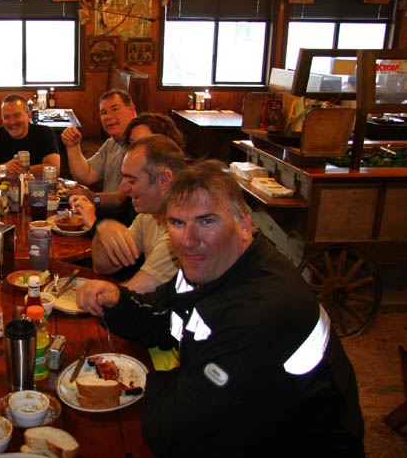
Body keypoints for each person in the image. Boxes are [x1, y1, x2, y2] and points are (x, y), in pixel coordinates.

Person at [76, 161, 364, 456]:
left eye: (207, 221)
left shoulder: (254, 317)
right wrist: (119, 301)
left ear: (244, 226)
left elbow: (178, 434)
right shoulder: (213, 266)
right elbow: (164, 314)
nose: (188, 241)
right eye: (177, 223)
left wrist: (155, 382)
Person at [74, 135, 183, 293]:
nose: (123, 188)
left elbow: (134, 292)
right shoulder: (148, 216)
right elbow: (103, 267)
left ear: (164, 180)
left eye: (132, 180)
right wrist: (102, 231)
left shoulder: (181, 233)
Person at [72, 112, 185, 228]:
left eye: (143, 143)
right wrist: (88, 206)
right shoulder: (145, 213)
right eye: (132, 143)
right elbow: (121, 214)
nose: (123, 188)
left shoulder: (179, 222)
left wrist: (93, 221)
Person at [61, 89, 137, 210]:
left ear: (131, 109)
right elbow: (85, 175)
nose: (108, 116)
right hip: (107, 213)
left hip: (127, 217)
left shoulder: (142, 146)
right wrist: (73, 146)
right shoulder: (111, 143)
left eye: (115, 109)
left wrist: (94, 197)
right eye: (104, 112)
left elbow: (128, 197)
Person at [0, 94, 60, 178]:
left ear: (29, 116)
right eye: (6, 117)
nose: (12, 122)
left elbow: (54, 170)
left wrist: (19, 170)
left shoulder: (45, 133)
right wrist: (5, 168)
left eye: (17, 116)